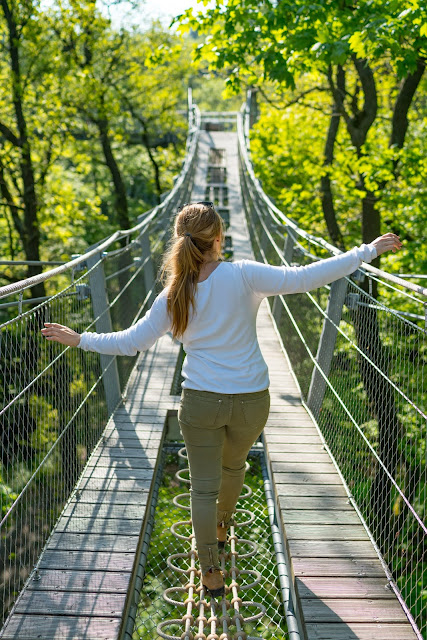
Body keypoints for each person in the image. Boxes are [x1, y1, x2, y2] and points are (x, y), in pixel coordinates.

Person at [41, 202, 402, 598]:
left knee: (202, 488)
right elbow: (305, 278)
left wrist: (80, 339)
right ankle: (222, 525)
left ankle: (210, 569)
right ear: (218, 239)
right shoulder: (244, 274)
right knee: (235, 468)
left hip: (200, 403)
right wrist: (366, 251)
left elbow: (131, 343)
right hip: (251, 401)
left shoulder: (174, 294)